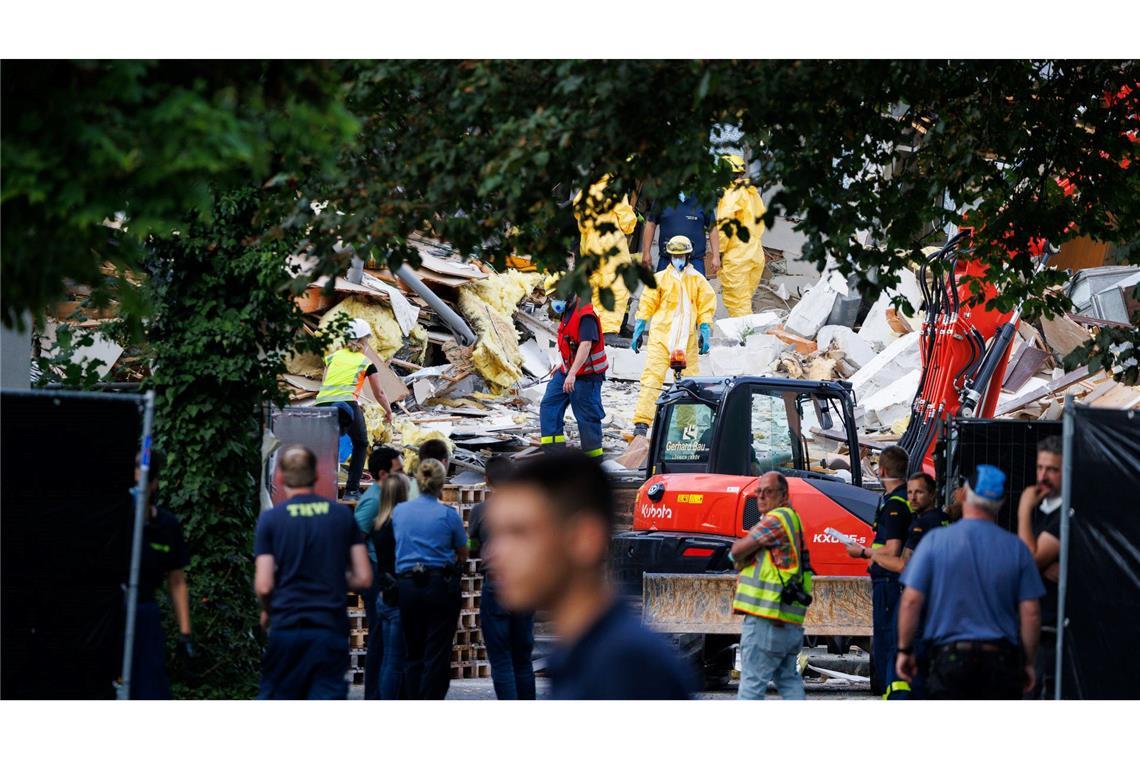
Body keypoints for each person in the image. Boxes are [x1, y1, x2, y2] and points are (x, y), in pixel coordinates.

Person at [486, 450, 696, 699]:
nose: (493, 554)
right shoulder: (580, 652)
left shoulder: (628, 668)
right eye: (496, 534)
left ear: (584, 538)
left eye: (519, 533)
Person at [896, 465, 1045, 699]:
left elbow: (911, 601)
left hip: (950, 661)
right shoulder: (1016, 549)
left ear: (965, 495)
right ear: (1002, 501)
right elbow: (1032, 612)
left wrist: (904, 649)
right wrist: (1028, 662)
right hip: (1000, 663)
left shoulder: (935, 541)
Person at [254, 445, 373, 699]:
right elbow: (363, 577)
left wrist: (267, 611)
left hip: (286, 625)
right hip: (329, 627)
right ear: (316, 475)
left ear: (281, 477)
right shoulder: (341, 516)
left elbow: (264, 585)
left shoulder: (271, 520)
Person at [856, 471, 949, 698]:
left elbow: (904, 566)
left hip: (920, 602)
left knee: (896, 655)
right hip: (937, 600)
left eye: (919, 492)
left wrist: (866, 552)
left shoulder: (922, 525)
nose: (913, 497)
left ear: (933, 494)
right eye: (910, 492)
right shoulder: (941, 519)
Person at [728, 471, 812, 700]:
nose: (761, 497)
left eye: (768, 491)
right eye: (758, 492)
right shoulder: (791, 519)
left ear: (783, 495)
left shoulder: (775, 520)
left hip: (767, 618)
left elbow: (736, 552)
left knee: (751, 685)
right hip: (786, 621)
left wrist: (740, 553)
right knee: (788, 679)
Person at [392, 458, 468, 699]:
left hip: (407, 586)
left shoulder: (400, 511)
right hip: (439, 586)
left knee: (412, 650)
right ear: (441, 483)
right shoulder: (448, 515)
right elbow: (462, 553)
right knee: (437, 652)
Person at [630, 235, 716, 437]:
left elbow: (706, 306)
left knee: (690, 385)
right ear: (670, 255)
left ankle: (686, 431)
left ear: (688, 255)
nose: (678, 259)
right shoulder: (659, 279)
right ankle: (641, 424)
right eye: (674, 255)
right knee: (652, 379)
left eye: (681, 255)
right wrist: (639, 327)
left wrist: (705, 329)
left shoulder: (697, 280)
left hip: (687, 341)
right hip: (662, 338)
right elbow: (647, 304)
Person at [846, 444, 913, 696]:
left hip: (889, 584)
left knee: (886, 643)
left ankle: (892, 694)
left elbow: (893, 550)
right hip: (894, 583)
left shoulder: (894, 506)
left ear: (882, 470)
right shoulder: (904, 499)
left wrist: (863, 552)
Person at [468, 456, 536, 700]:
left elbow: (472, 545)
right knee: (522, 660)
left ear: (487, 480)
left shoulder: (481, 511)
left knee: (501, 659)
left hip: (496, 587)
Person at [129, 449, 194, 699]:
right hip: (112, 610)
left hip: (146, 613)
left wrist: (185, 633)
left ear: (155, 483)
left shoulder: (166, 525)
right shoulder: (114, 521)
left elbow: (176, 580)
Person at [314, 317, 394, 500]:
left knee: (326, 447)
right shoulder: (365, 363)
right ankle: (351, 491)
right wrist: (388, 411)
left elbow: (326, 383)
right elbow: (379, 393)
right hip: (346, 404)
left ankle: (321, 490)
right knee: (361, 443)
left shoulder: (331, 358)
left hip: (322, 404)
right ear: (362, 340)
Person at [539, 275, 608, 458]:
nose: (555, 301)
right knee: (549, 404)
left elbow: (585, 345)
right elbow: (570, 343)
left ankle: (593, 462)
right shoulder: (567, 310)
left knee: (586, 419)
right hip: (570, 370)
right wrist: (562, 365)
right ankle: (554, 455)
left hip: (586, 376)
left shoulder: (585, 314)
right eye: (552, 296)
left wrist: (572, 374)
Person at [354, 445, 403, 699]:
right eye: (399, 470)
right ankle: (373, 695)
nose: (404, 475)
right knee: (378, 636)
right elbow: (355, 539)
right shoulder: (373, 500)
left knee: (387, 637)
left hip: (386, 572)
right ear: (383, 474)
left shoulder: (390, 496)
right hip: (375, 573)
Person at [1016, 434, 1063, 698]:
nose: (1043, 476)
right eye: (1040, 468)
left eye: (1052, 470)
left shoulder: (1062, 515)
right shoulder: (1045, 511)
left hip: (1051, 631)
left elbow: (1028, 562)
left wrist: (1023, 509)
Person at [574, 176, 639, 334]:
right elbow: (627, 223)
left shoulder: (584, 193)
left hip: (591, 247)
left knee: (596, 286)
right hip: (611, 246)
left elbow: (581, 224)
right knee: (616, 286)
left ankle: (595, 328)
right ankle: (608, 331)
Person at [370, 471, 411, 699]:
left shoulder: (380, 524)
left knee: (387, 659)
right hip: (400, 596)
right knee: (397, 662)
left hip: (384, 594)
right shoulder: (401, 526)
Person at [715, 154, 767, 317]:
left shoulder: (731, 195)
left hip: (738, 255)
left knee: (738, 304)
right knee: (745, 301)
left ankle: (744, 340)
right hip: (755, 252)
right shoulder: (752, 192)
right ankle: (748, 338)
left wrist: (720, 252)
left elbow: (725, 228)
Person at [640, 193, 720, 277]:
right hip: (667, 261)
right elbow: (651, 224)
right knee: (663, 289)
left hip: (694, 262)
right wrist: (646, 253)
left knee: (696, 290)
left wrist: (716, 256)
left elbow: (712, 228)